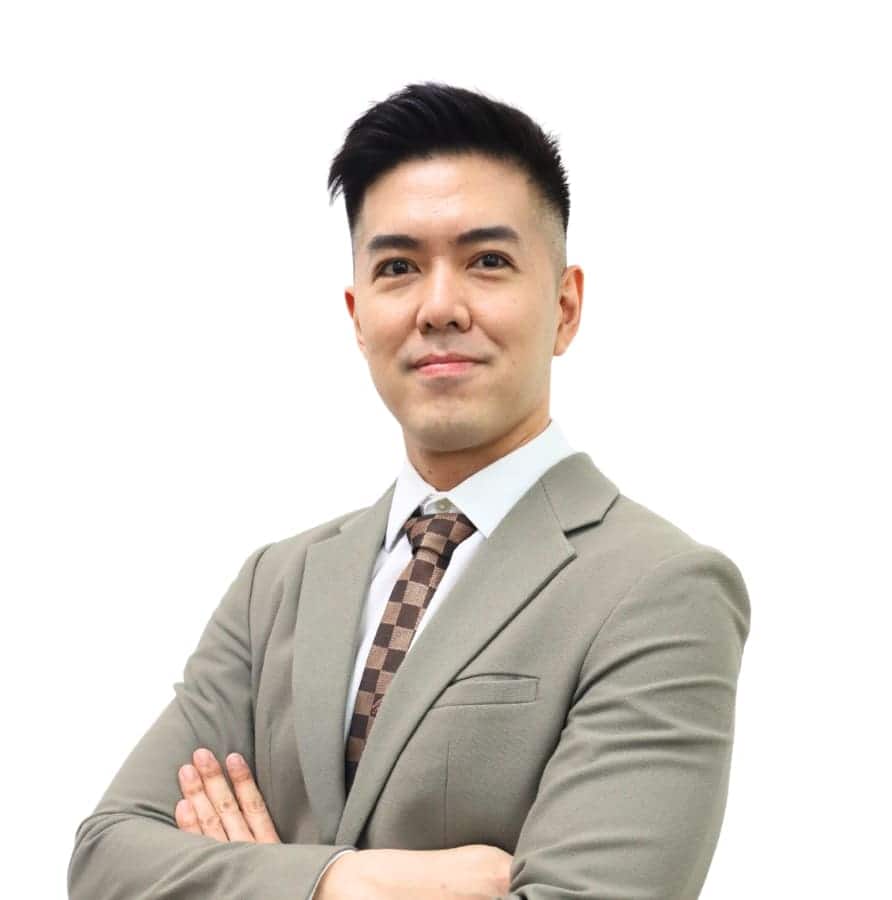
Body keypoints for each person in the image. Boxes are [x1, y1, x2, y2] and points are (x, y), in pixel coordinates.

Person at [67, 81, 751, 900]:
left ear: (566, 307)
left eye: (488, 261)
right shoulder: (275, 587)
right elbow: (105, 860)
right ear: (358, 316)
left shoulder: (660, 588)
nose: (439, 307)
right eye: (398, 268)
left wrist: (243, 878)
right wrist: (344, 882)